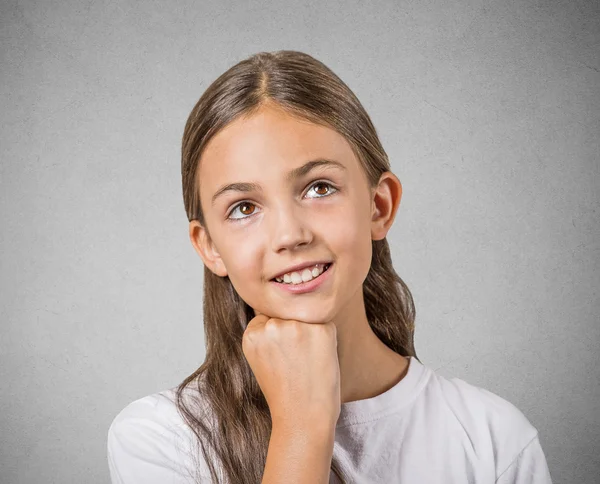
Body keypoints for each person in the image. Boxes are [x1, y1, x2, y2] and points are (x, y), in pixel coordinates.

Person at [107, 50, 553, 484]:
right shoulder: (161, 440)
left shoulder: (493, 440)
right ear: (210, 249)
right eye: (244, 208)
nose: (290, 235)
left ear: (379, 206)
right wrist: (302, 425)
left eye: (319, 188)